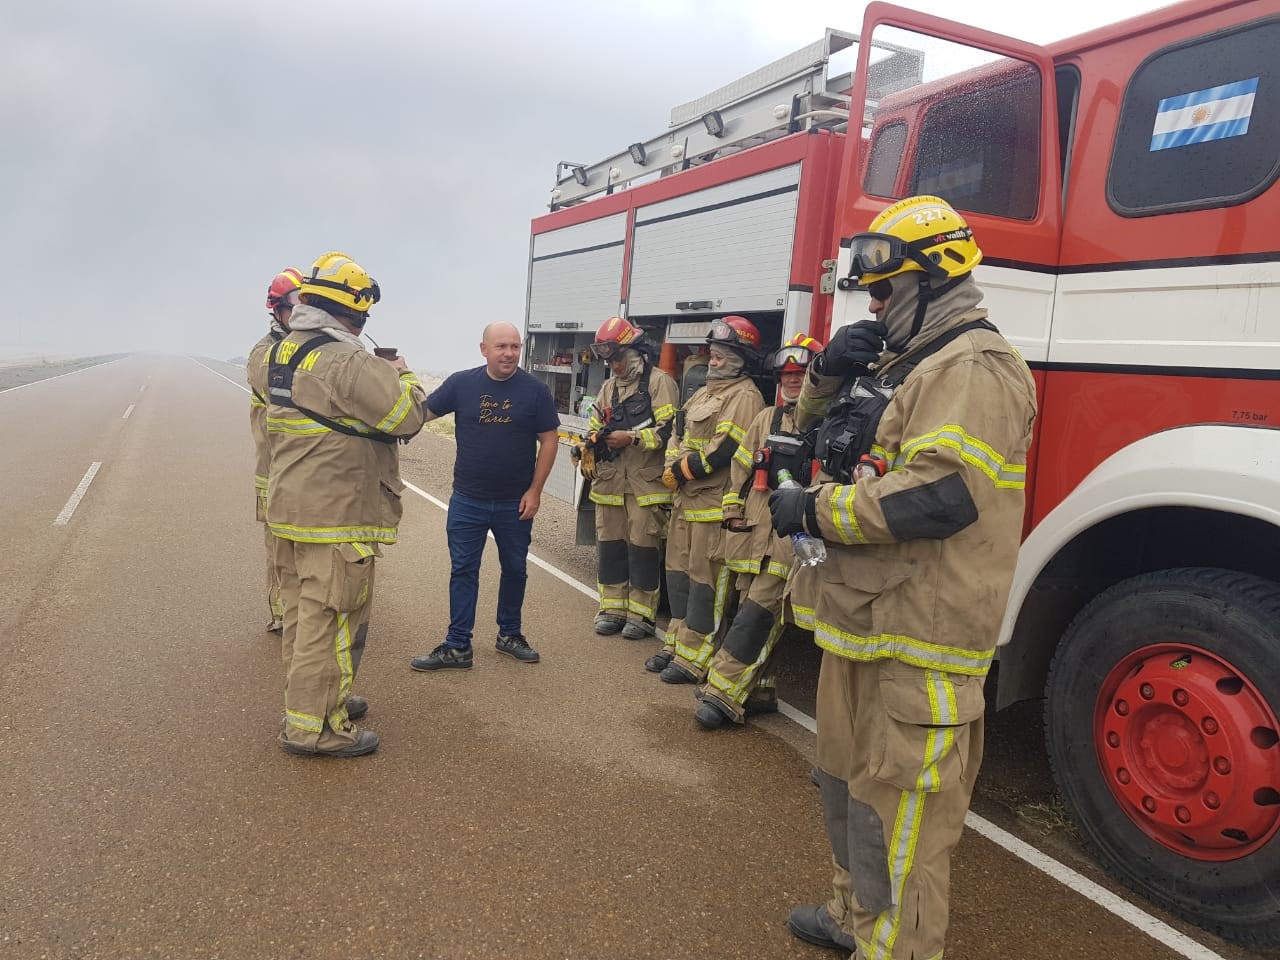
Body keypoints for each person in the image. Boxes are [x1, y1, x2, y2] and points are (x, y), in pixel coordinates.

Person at [768, 196, 1037, 957]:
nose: (876, 305)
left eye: (885, 290)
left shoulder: (973, 367)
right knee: (848, 789)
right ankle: (856, 920)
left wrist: (813, 511)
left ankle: (896, 949)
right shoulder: (909, 361)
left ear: (932, 277)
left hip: (920, 636)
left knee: (903, 815)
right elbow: (826, 433)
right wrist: (825, 372)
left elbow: (939, 494)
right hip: (865, 622)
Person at [266, 251, 426, 758]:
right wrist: (402, 374)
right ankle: (316, 729)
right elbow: (408, 417)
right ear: (354, 311)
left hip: (292, 508)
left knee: (302, 616)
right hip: (336, 515)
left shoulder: (282, 352)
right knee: (331, 619)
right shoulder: (348, 361)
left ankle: (313, 703)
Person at [410, 321, 559, 671]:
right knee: (463, 570)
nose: (509, 353)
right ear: (484, 349)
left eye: (515, 347)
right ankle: (458, 645)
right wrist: (398, 386)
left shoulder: (535, 391)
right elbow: (420, 415)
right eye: (501, 347)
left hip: (515, 502)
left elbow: (549, 440)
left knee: (515, 568)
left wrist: (535, 491)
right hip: (468, 499)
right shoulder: (462, 384)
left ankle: (510, 634)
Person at [693, 332, 823, 729]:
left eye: (800, 374)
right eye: (786, 375)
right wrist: (732, 508)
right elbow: (742, 470)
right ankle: (761, 690)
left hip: (790, 536)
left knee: (760, 611)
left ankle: (722, 692)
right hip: (751, 529)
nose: (792, 381)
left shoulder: (827, 423)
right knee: (748, 602)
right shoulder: (766, 418)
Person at [646, 316, 764, 683]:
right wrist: (671, 463)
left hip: (712, 508)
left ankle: (696, 658)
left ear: (740, 358)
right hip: (685, 503)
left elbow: (725, 449)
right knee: (678, 578)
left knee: (705, 584)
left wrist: (679, 471)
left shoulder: (745, 397)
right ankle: (676, 644)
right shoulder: (703, 392)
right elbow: (677, 433)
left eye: (723, 354)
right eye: (712, 353)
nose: (713, 360)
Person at [578, 317, 679, 640]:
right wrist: (592, 444)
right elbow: (594, 426)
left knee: (643, 550)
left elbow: (669, 432)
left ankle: (641, 615)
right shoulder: (608, 388)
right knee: (610, 548)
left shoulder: (659, 384)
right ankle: (611, 609)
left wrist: (632, 438)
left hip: (644, 485)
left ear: (634, 351)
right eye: (608, 360)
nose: (614, 365)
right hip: (609, 484)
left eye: (618, 357)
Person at [247, 267, 302, 634]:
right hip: (275, 470)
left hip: (305, 470)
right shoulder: (264, 354)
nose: (301, 312)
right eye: (294, 305)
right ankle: (282, 612)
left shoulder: (306, 348)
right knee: (280, 548)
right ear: (277, 310)